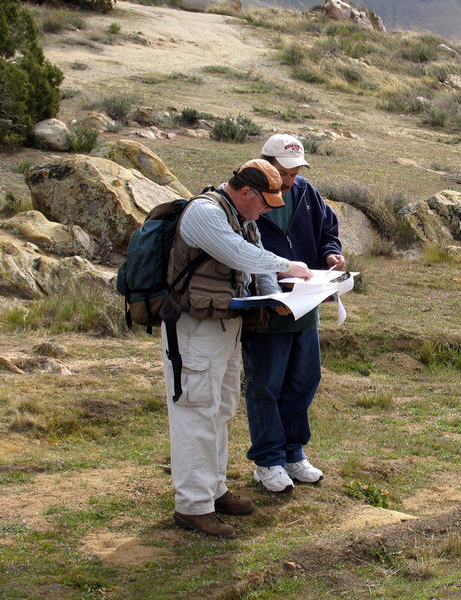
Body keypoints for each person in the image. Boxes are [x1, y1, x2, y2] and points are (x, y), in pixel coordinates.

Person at [164, 159, 312, 538]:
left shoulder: (242, 216)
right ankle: (193, 506)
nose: (265, 212)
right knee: (196, 411)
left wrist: (278, 297)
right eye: (264, 203)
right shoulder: (205, 213)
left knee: (221, 408)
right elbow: (239, 255)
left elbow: (257, 268)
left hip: (225, 326)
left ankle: (214, 491)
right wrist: (289, 266)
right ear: (246, 192)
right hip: (194, 329)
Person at [242, 134, 345, 493]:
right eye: (285, 172)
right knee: (266, 384)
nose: (289, 180)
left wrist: (331, 255)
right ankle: (268, 461)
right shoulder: (248, 196)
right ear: (265, 163)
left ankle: (293, 453)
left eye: (295, 171)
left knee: (304, 380)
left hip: (306, 303)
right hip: (266, 308)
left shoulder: (305, 192)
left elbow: (328, 232)